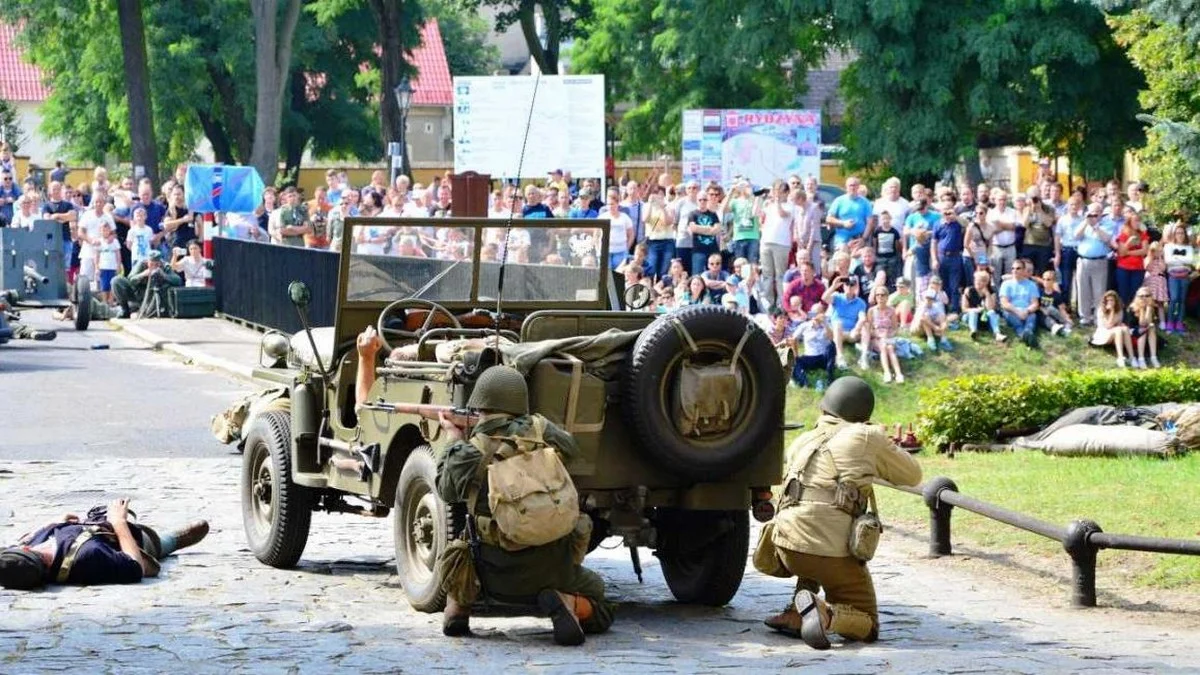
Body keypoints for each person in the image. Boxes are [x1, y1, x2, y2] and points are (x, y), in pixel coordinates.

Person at [435, 365, 613, 644]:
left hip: (491, 576)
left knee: (463, 540)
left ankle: (458, 605)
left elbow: (445, 490)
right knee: (601, 603)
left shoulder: (469, 452)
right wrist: (533, 429)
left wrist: (453, 440)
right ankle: (566, 601)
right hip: (553, 573)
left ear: (479, 403)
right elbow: (572, 450)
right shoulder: (541, 431)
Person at [759, 376, 922, 649]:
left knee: (812, 527)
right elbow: (913, 474)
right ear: (863, 414)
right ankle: (825, 615)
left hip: (787, 549)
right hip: (830, 556)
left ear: (825, 408)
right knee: (868, 625)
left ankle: (796, 613)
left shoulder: (803, 440)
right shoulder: (867, 436)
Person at [0, 498, 208, 590]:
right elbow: (135, 567)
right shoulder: (87, 558)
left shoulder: (30, 551)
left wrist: (54, 521)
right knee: (154, 541)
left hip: (88, 523)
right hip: (129, 538)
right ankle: (171, 541)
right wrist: (119, 521)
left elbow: (24, 539)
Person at [112, 250, 183, 318]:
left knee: (168, 286)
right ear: (147, 262)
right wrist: (142, 275)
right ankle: (125, 310)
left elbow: (178, 280)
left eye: (157, 264)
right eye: (151, 264)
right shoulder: (141, 264)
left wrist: (164, 275)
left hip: (155, 295)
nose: (154, 266)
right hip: (138, 293)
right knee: (116, 280)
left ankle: (162, 309)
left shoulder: (165, 266)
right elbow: (130, 280)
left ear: (160, 262)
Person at [1091, 290, 1135, 368]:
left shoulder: (1119, 310)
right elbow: (1108, 325)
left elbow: (1118, 323)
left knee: (1124, 328)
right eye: (1108, 300)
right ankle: (1120, 357)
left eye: (1112, 300)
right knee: (1118, 330)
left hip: (1115, 332)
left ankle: (1132, 357)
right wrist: (1111, 310)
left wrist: (1120, 324)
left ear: (1116, 301)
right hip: (1103, 334)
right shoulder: (1101, 310)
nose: (1110, 302)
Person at [961, 270, 1006, 342]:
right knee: (973, 312)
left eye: (981, 281)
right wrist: (976, 310)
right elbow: (964, 309)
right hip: (970, 316)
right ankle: (973, 331)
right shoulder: (968, 290)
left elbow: (990, 308)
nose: (977, 282)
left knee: (991, 313)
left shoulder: (991, 292)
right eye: (976, 280)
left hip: (984, 318)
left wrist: (987, 294)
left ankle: (997, 333)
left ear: (986, 282)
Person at [1164, 225, 1193, 333]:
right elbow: (1168, 260)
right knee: (1174, 298)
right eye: (1177, 233)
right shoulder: (1168, 246)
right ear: (1174, 234)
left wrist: (1175, 258)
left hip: (1185, 276)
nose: (1180, 235)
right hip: (1173, 276)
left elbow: (1190, 260)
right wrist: (1183, 261)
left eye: (1182, 233)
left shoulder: (1188, 247)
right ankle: (1170, 322)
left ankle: (1179, 323)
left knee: (1182, 300)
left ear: (1185, 234)